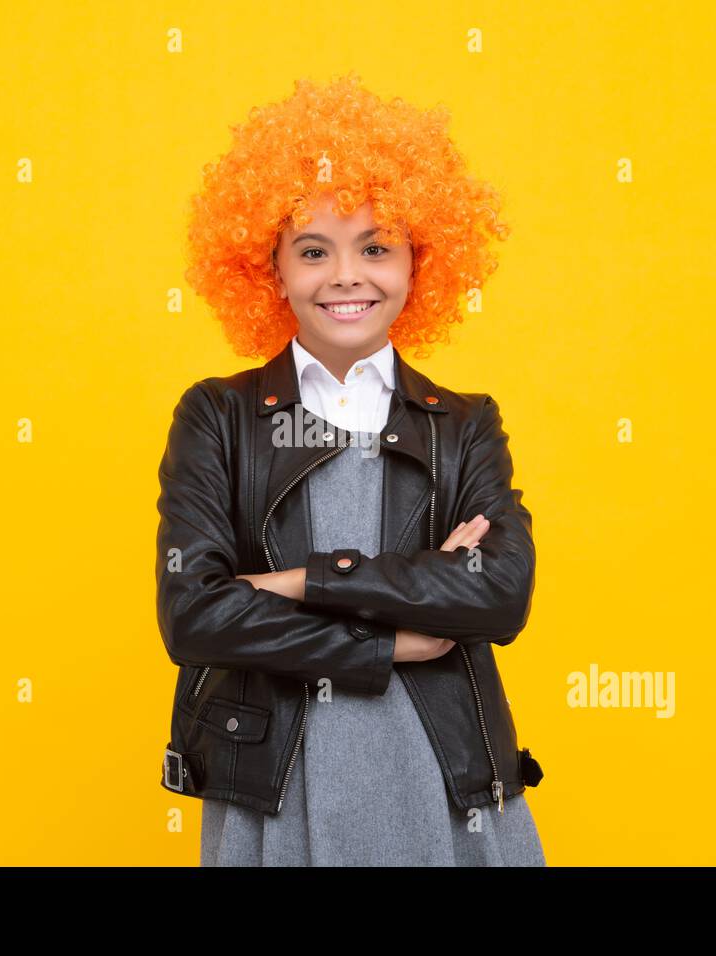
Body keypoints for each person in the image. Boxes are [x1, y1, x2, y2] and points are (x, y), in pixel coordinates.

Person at [158, 72, 545, 866]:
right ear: (270, 268)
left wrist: (296, 581)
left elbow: (499, 596)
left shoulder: (464, 424)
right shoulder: (218, 416)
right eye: (313, 250)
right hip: (277, 782)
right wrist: (394, 640)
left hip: (446, 782)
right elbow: (192, 616)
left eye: (376, 246)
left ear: (418, 261)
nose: (346, 276)